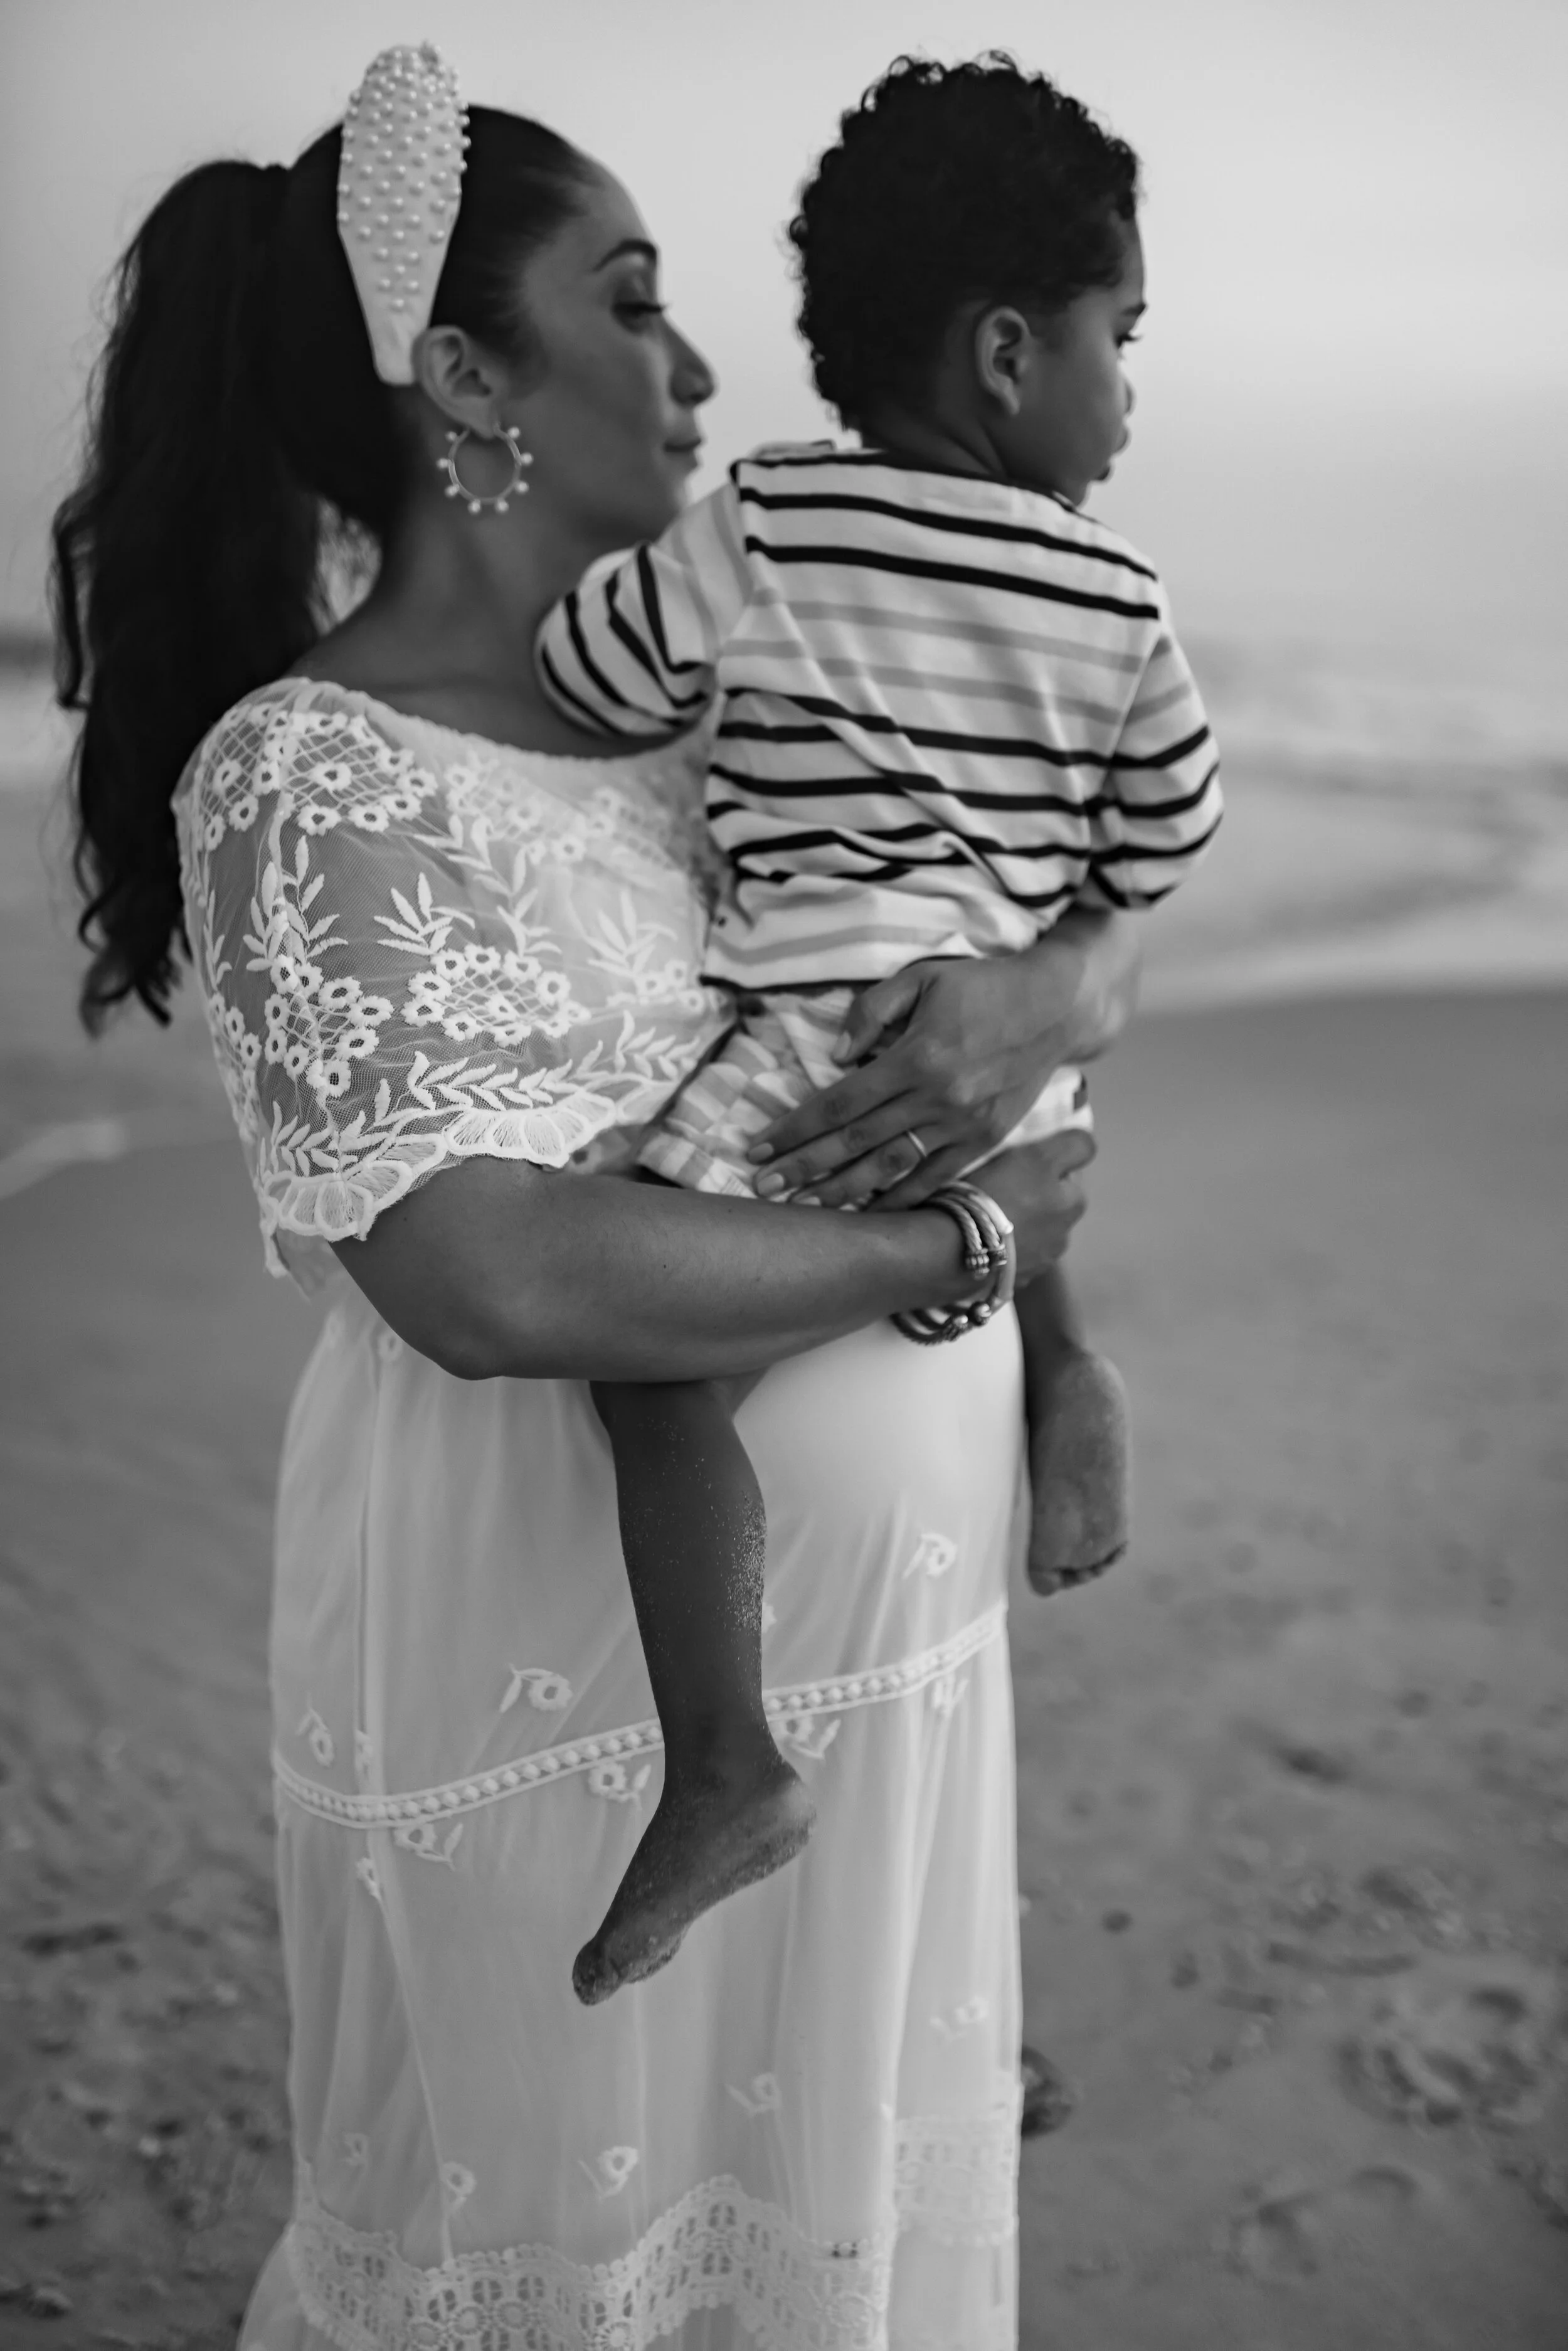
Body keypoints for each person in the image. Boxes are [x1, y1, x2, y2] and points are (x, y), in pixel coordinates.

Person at [52, 44, 1143, 2350]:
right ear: (466, 378)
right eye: (628, 301)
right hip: (548, 1682)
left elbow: (1011, 907)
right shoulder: (310, 770)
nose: (697, 365)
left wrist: (1061, 1005)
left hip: (888, 1666)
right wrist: (964, 1247)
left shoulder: (723, 718)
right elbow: (482, 1269)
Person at [541, 55, 1222, 2004]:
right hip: (1018, 1056)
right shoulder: (1120, 593)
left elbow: (592, 675)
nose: (1126, 391)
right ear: (1008, 353)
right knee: (1003, 1188)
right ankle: (1064, 1366)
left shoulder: (764, 514)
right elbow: (1160, 838)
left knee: (644, 1351)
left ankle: (724, 1758)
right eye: (1120, 338)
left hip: (814, 1038)